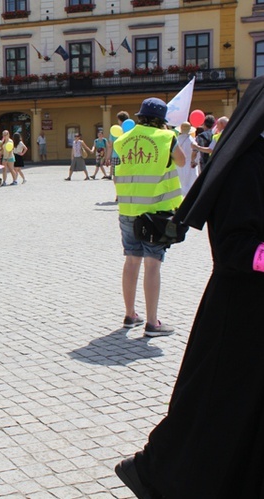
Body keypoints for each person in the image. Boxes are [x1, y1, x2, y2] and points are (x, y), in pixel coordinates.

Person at [115, 75, 264, 499]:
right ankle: (155, 473)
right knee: (213, 407)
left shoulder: (128, 138)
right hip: (239, 310)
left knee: (134, 262)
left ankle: (136, 312)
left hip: (130, 211)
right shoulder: (248, 161)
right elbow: (235, 248)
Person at [113, 97, 184, 337]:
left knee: (131, 260)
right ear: (161, 120)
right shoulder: (166, 138)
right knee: (153, 264)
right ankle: (152, 322)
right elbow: (182, 161)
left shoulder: (123, 140)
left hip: (128, 209)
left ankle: (130, 314)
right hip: (156, 211)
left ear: (141, 116)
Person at [175, 122, 199, 196]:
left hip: (178, 164)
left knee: (179, 185)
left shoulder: (176, 141)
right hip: (190, 165)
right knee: (190, 185)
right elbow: (196, 154)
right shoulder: (192, 141)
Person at [106, 110, 130, 180]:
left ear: (119, 120)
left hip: (116, 155)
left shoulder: (114, 130)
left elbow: (110, 146)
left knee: (116, 175)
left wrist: (107, 157)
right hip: (127, 156)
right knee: (126, 174)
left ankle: (118, 189)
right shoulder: (130, 130)